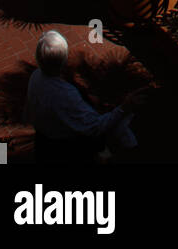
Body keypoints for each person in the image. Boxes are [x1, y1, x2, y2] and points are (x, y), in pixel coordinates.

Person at [24, 30, 147, 162]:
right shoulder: (65, 94)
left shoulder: (36, 76)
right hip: (64, 146)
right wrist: (125, 107)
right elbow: (95, 127)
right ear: (64, 59)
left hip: (44, 139)